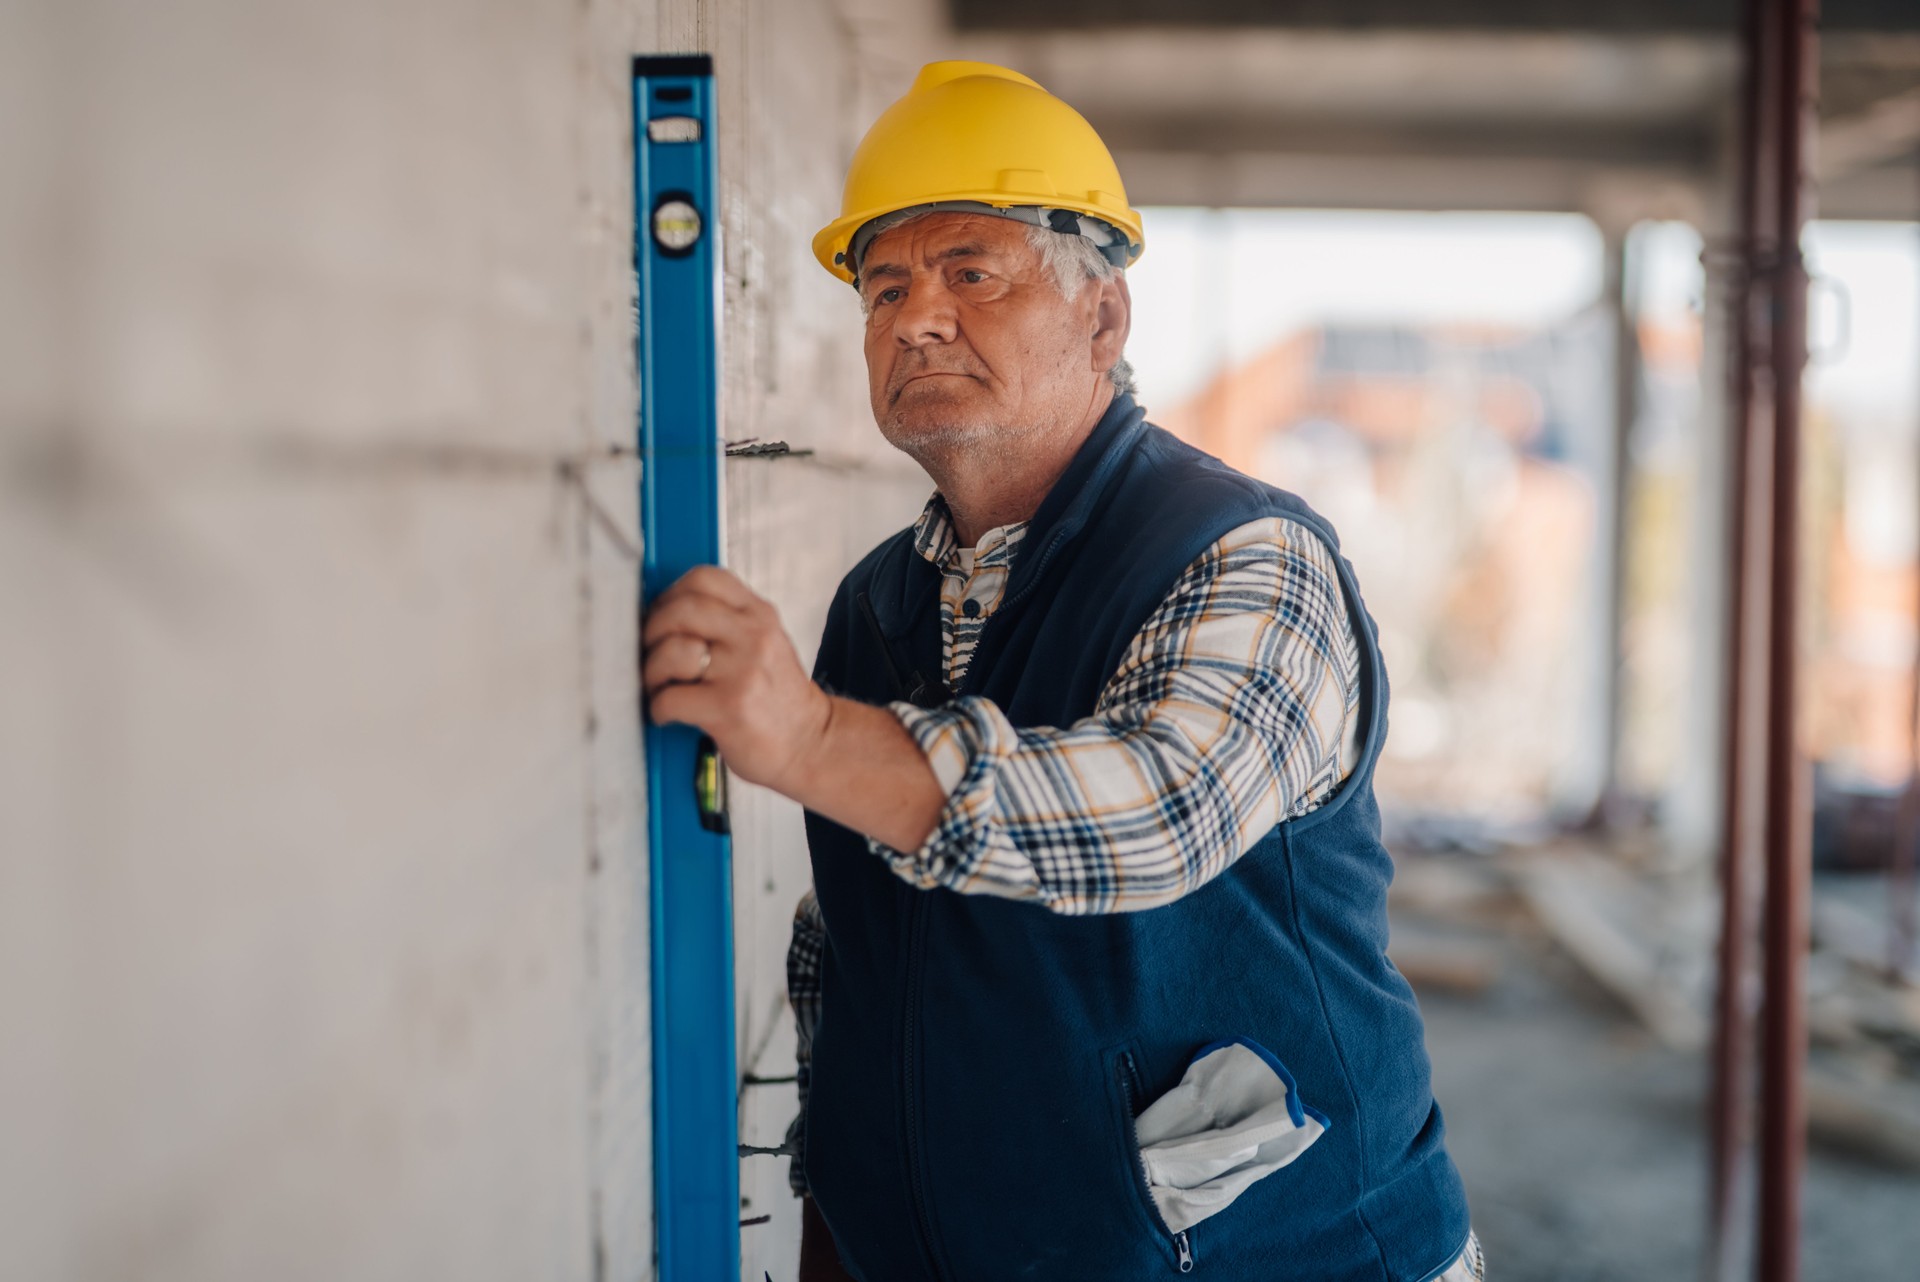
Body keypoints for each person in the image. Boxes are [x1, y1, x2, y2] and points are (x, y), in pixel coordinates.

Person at [640, 60, 1481, 1282]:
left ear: (1104, 318)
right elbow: (858, 959)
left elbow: (1159, 813)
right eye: (883, 289)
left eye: (969, 272)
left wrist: (814, 740)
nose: (915, 316)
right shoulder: (876, 606)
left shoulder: (1247, 556)